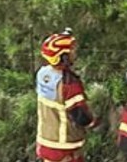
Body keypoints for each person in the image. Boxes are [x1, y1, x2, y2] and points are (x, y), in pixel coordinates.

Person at [35, 29, 98, 162]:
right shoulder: (69, 84)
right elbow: (79, 114)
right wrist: (92, 122)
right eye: (71, 51)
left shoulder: (42, 74)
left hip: (45, 141)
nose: (74, 53)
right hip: (64, 145)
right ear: (62, 56)